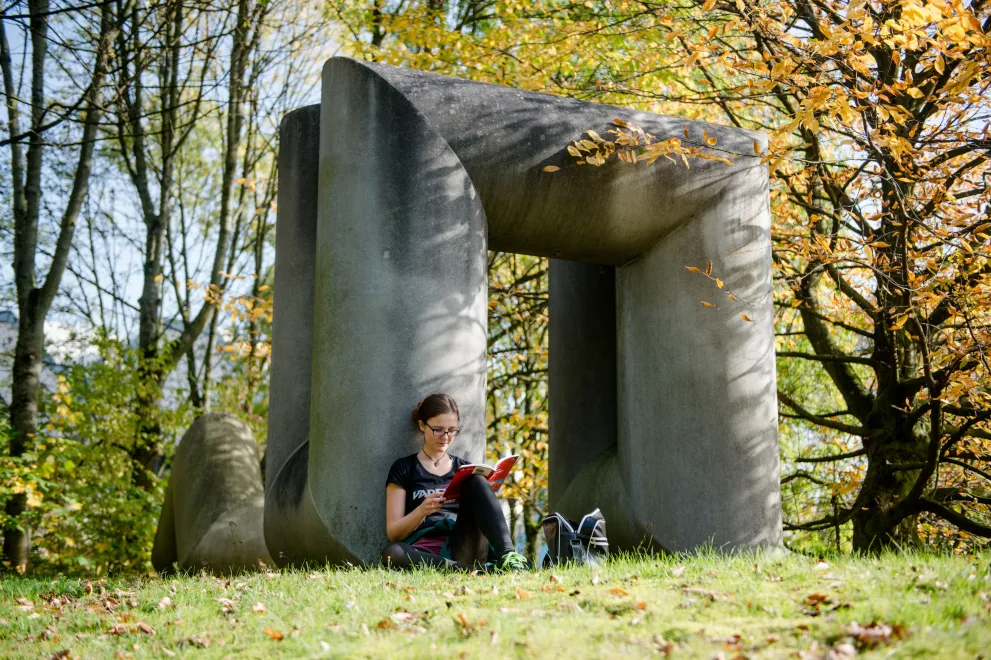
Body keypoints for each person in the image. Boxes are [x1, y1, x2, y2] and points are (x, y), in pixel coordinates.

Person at [382, 393, 530, 572]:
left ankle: (508, 556)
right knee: (392, 554)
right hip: (425, 551)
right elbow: (393, 533)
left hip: (464, 544)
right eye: (438, 429)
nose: (445, 437)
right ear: (422, 425)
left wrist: (484, 493)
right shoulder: (404, 468)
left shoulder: (465, 468)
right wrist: (421, 511)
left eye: (452, 430)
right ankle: (473, 571)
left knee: (477, 479)